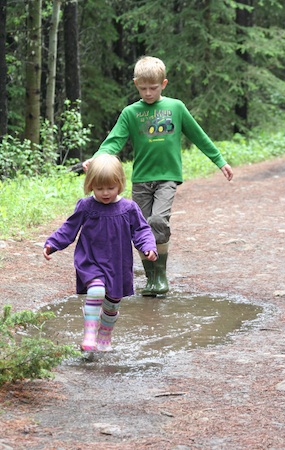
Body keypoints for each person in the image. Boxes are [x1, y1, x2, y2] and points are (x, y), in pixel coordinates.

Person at [83, 56, 233, 297]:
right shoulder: (131, 113)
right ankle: (151, 277)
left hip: (167, 177)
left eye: (153, 88)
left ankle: (160, 275)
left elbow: (198, 135)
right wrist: (97, 159)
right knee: (140, 227)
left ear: (164, 83)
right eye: (143, 88)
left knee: (158, 221)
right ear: (136, 85)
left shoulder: (176, 107)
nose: (148, 93)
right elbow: (114, 141)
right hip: (142, 178)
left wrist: (219, 160)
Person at [43, 154, 157, 352]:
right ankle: (89, 336)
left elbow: (141, 230)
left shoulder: (129, 208)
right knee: (96, 291)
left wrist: (148, 246)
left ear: (120, 183)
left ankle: (104, 336)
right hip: (91, 259)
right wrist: (53, 243)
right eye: (99, 188)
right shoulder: (86, 206)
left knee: (112, 304)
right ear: (90, 185)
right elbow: (69, 228)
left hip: (117, 263)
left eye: (110, 188)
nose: (105, 193)